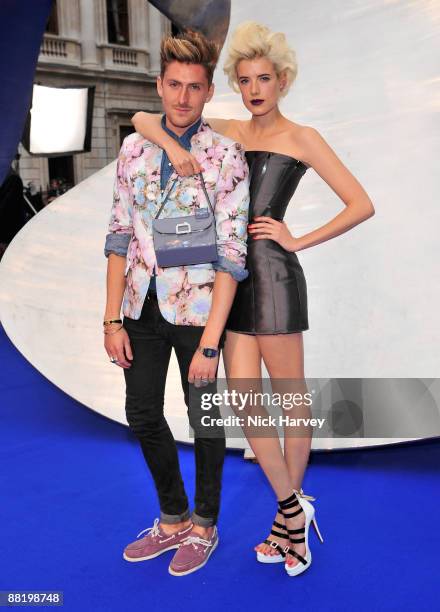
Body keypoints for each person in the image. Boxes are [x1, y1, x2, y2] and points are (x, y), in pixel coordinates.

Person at [132, 21, 375, 576]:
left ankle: (287, 520)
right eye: (244, 80)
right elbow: (143, 120)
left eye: (264, 78)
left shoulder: (303, 138)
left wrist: (297, 238)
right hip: (233, 280)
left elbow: (360, 203)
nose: (255, 89)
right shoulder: (227, 130)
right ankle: (293, 509)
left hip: (277, 276)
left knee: (290, 402)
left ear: (282, 81)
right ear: (236, 86)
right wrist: (174, 143)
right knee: (245, 402)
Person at [103, 29, 250, 577]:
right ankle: (172, 517)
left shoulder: (225, 155)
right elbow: (119, 235)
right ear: (159, 86)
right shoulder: (134, 148)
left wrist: (212, 342)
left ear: (209, 91)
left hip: (200, 312)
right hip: (140, 306)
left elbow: (233, 252)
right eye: (173, 85)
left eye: (194, 87)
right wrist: (111, 317)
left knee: (204, 418)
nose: (183, 97)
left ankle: (205, 524)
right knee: (141, 412)